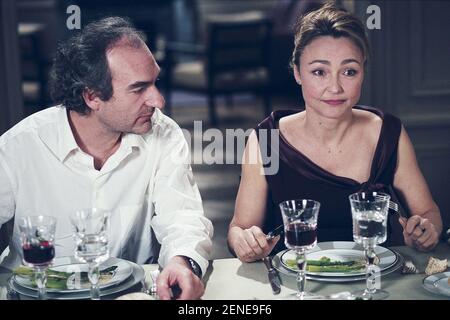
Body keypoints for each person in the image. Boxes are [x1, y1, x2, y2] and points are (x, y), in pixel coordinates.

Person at [0, 17, 213, 300]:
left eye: (155, 82)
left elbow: (182, 218)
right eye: (139, 88)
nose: (158, 100)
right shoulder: (19, 147)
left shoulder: (164, 134)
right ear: (92, 96)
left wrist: (181, 261)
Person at [227, 2, 443, 263]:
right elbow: (239, 228)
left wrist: (426, 230)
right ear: (297, 73)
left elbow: (429, 213)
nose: (335, 87)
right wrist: (243, 240)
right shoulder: (266, 139)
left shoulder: (388, 132)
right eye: (319, 72)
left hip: (376, 280)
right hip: (296, 283)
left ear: (363, 72)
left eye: (349, 71)